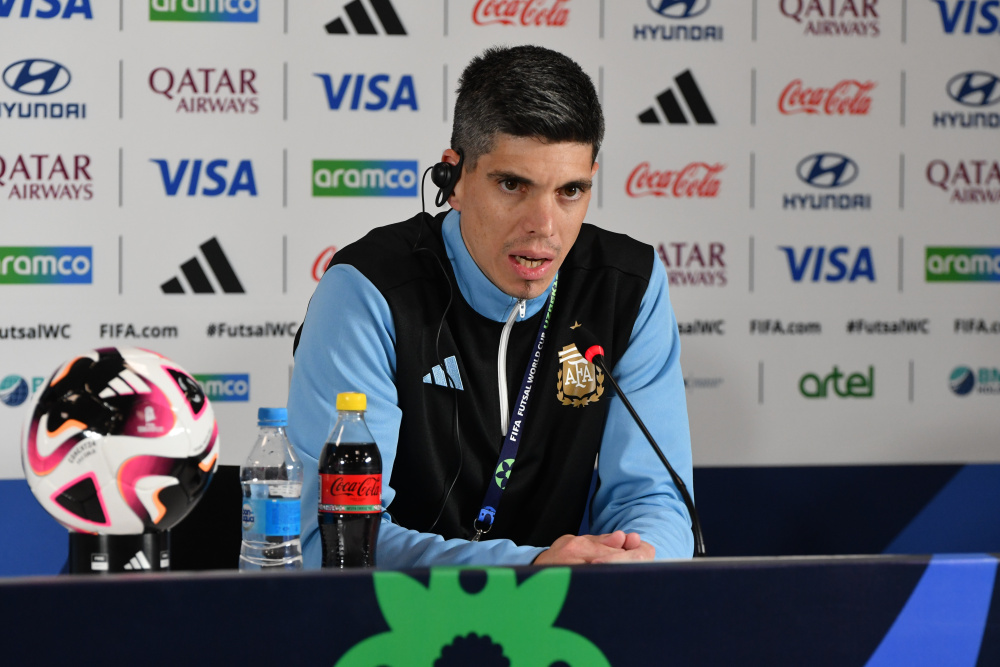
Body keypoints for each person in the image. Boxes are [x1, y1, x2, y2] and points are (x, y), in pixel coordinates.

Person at [287, 44, 694, 568]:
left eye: (571, 190)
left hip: (564, 610)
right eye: (512, 185)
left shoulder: (627, 287)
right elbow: (339, 543)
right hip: (392, 614)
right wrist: (527, 571)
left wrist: (635, 563)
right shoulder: (367, 290)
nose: (544, 226)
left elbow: (654, 500)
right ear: (454, 178)